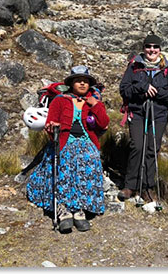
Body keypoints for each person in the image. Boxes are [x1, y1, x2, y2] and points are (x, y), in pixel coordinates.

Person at [26, 65, 109, 232]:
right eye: (78, 81)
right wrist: (52, 127)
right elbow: (50, 125)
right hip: (65, 141)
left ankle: (79, 209)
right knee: (66, 160)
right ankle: (63, 209)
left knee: (91, 159)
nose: (82, 84)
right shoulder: (60, 101)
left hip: (86, 142)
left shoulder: (93, 102)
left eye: (85, 81)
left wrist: (95, 105)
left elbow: (104, 123)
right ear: (72, 83)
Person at [118, 33, 168, 203]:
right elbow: (124, 89)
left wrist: (157, 92)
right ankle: (130, 185)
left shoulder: (166, 69)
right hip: (137, 112)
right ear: (143, 48)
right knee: (137, 146)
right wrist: (143, 87)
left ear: (160, 50)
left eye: (155, 47)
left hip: (159, 114)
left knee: (152, 149)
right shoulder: (134, 66)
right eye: (148, 46)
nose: (152, 50)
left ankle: (147, 187)